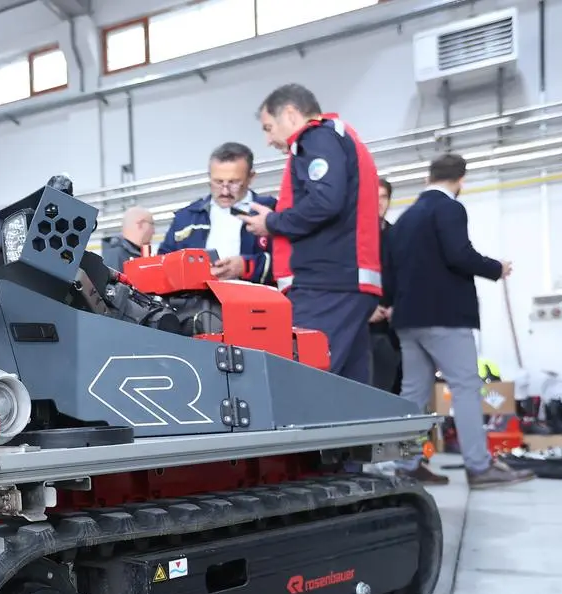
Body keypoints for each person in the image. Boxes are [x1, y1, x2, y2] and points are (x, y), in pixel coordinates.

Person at [387, 153, 534, 489]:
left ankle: (406, 465)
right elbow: (458, 254)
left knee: (413, 394)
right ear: (461, 180)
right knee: (466, 388)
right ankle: (479, 467)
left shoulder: (405, 217)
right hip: (444, 317)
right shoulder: (449, 208)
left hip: (408, 317)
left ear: (428, 177)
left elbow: (391, 267)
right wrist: (496, 268)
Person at [237, 84, 382, 383]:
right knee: (351, 389)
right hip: (346, 284)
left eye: (268, 128)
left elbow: (325, 201)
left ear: (291, 114)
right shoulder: (339, 137)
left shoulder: (316, 137)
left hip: (325, 286)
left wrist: (272, 222)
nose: (268, 140)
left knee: (304, 382)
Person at [157, 142, 276, 284]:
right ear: (209, 176)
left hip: (256, 296)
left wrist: (246, 267)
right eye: (218, 182)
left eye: (234, 182)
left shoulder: (272, 211)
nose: (225, 191)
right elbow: (162, 263)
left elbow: (292, 262)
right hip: (199, 297)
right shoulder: (187, 217)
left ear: (251, 177)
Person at [370, 177, 403, 393]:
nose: (379, 202)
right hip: (364, 325)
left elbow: (407, 277)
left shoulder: (398, 235)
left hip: (395, 326)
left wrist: (398, 308)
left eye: (384, 197)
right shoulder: (353, 238)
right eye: (375, 197)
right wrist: (365, 309)